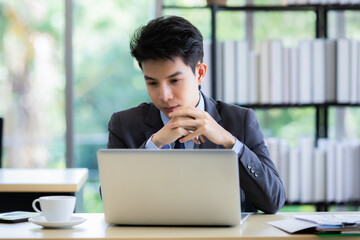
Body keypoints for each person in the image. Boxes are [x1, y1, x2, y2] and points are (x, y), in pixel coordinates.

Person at [107, 15, 285, 214]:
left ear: (199, 73)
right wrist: (154, 145)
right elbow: (110, 200)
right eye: (152, 83)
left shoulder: (240, 121)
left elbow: (273, 201)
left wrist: (230, 142)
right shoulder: (124, 125)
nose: (164, 96)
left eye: (174, 81)